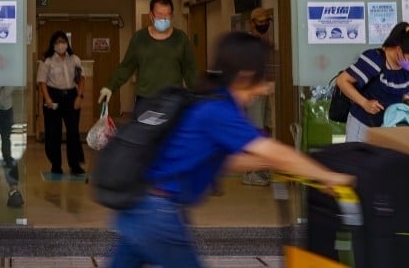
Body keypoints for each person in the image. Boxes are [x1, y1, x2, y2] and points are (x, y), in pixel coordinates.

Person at [108, 31, 356, 268]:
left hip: (138, 208)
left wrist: (282, 167)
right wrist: (330, 176)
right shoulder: (218, 110)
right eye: (264, 75)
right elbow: (275, 152)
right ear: (246, 76)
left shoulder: (211, 99)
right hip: (156, 215)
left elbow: (226, 161)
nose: (268, 85)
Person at [99, 0, 197, 119]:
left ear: (172, 16)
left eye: (167, 15)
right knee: (143, 137)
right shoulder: (139, 38)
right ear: (151, 15)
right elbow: (126, 67)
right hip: (146, 100)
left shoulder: (180, 38)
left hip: (173, 101)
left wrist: (197, 94)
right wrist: (110, 87)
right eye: (160, 14)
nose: (164, 18)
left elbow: (190, 70)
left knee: (171, 137)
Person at [334, 22, 409, 143]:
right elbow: (342, 81)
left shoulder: (407, 68)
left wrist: (405, 99)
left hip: (389, 126)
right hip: (363, 125)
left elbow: (396, 88)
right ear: (399, 49)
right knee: (358, 160)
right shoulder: (375, 59)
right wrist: (365, 103)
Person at [37, 31, 86, 176]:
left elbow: (81, 79)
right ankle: (56, 165)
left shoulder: (75, 59)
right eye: (57, 42)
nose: (60, 45)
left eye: (63, 42)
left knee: (73, 132)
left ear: (67, 43)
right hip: (53, 96)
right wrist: (47, 99)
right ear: (53, 45)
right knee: (53, 133)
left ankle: (75, 165)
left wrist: (79, 96)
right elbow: (42, 82)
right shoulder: (47, 61)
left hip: (71, 96)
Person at [242, 6, 275, 186]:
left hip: (262, 91)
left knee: (265, 128)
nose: (263, 25)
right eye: (260, 22)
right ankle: (250, 171)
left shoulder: (262, 41)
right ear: (252, 23)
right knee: (254, 130)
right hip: (252, 92)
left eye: (266, 22)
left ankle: (260, 168)